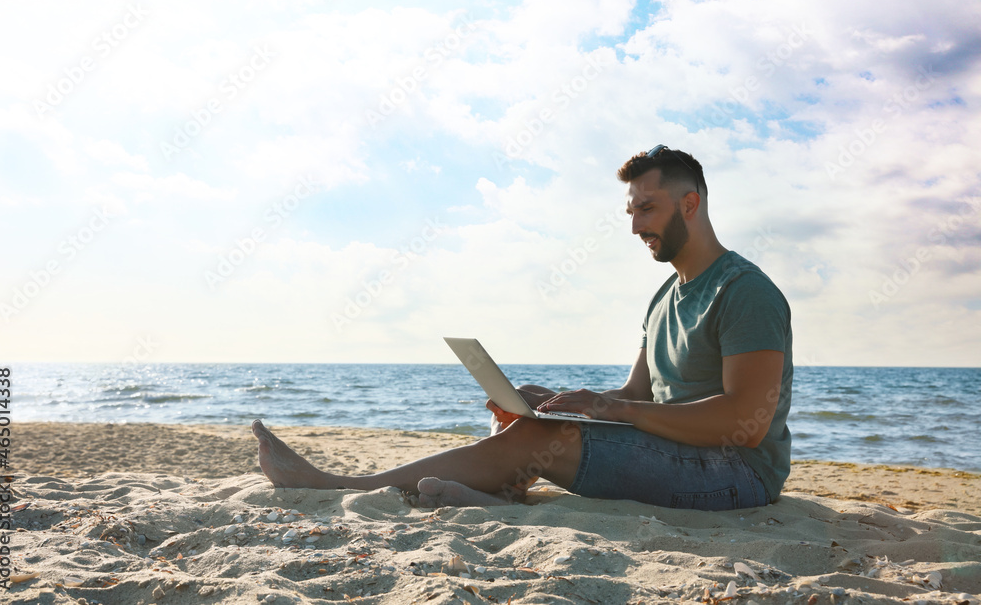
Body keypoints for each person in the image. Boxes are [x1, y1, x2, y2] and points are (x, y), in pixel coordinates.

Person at [252, 145, 792, 510]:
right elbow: (635, 394)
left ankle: (345, 486)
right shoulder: (663, 298)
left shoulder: (744, 291)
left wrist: (611, 411)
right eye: (631, 212)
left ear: (690, 203)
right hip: (681, 454)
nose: (635, 227)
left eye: (646, 209)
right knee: (526, 421)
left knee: (544, 437)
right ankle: (497, 493)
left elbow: (745, 421)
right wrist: (564, 402)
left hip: (738, 474)